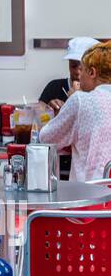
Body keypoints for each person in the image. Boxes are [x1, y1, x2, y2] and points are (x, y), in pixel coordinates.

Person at [39, 41, 111, 182]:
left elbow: (46, 138)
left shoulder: (80, 100)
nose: (79, 75)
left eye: (82, 70)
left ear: (92, 72)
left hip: (91, 195)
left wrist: (70, 102)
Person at [39, 36, 100, 114]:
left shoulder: (101, 95)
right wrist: (48, 111)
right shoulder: (54, 87)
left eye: (82, 68)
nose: (77, 72)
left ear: (93, 71)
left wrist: (75, 101)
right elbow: (37, 114)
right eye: (73, 66)